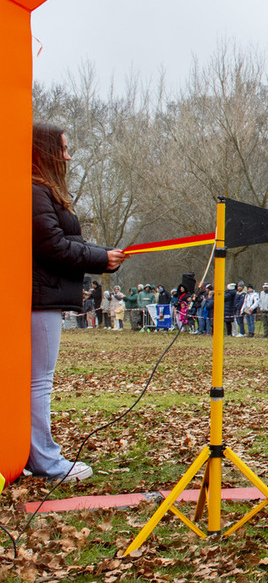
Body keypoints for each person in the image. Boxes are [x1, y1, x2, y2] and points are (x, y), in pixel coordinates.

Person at [31, 122, 128, 481]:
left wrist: (103, 255)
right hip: (38, 299)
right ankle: (46, 460)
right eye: (64, 148)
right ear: (46, 151)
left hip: (43, 297)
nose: (69, 156)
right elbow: (51, 246)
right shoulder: (35, 192)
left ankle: (32, 454)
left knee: (36, 380)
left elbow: (64, 240)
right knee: (38, 381)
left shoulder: (43, 193)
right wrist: (100, 259)